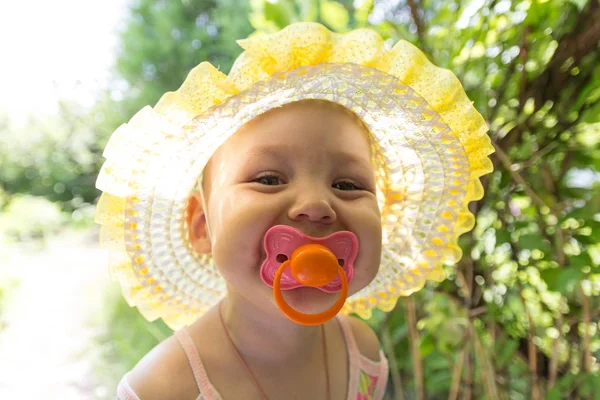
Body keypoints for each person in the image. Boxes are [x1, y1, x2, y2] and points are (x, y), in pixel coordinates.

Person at [95, 22, 494, 400]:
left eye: (347, 184)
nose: (316, 205)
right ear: (201, 226)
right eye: (268, 179)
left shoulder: (364, 356)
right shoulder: (164, 387)